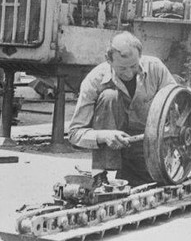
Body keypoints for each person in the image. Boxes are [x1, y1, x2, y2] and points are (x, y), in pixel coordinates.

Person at [69, 31, 176, 186]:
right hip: (113, 146)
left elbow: (176, 103)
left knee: (148, 185)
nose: (128, 73)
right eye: (122, 68)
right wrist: (104, 135)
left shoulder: (156, 68)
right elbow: (74, 134)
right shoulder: (94, 81)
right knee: (109, 97)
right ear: (108, 60)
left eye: (133, 66)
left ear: (140, 56)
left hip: (147, 145)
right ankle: (100, 175)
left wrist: (186, 98)